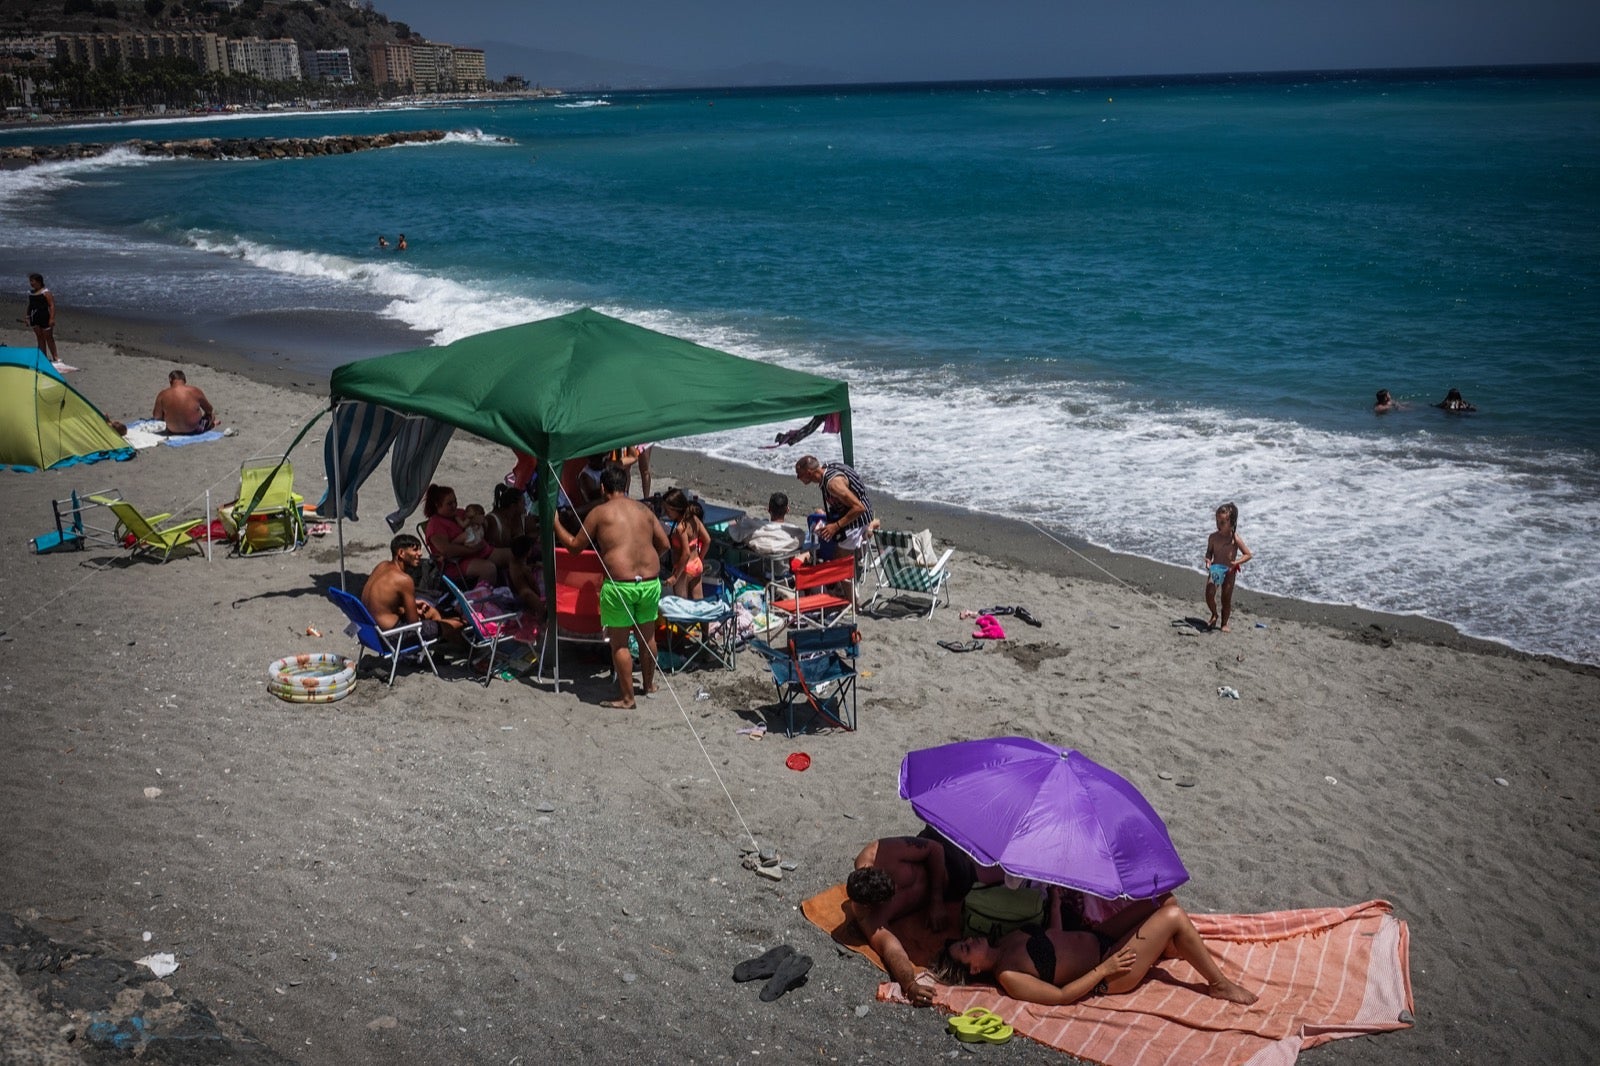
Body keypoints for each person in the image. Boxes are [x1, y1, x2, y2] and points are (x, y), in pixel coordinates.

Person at [939, 886, 1257, 1008]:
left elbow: (1052, 938)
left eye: (964, 942)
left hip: (1100, 939)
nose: (970, 940)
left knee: (1162, 899)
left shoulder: (1005, 941)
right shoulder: (1009, 976)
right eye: (967, 950)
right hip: (1109, 970)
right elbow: (1062, 997)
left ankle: (1166, 947)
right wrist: (1104, 969)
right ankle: (1219, 985)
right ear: (976, 969)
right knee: (1173, 916)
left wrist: (1056, 903)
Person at [550, 463, 671, 709]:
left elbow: (574, 547)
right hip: (649, 582)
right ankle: (649, 685)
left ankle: (628, 698)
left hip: (620, 585)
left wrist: (554, 523)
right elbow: (666, 544)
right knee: (647, 636)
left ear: (603, 488)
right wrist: (647, 558)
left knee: (620, 643)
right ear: (626, 486)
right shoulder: (644, 510)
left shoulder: (600, 512)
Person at [843, 834, 989, 1008]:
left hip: (946, 857)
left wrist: (936, 900)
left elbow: (935, 848)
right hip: (956, 883)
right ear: (871, 904)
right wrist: (910, 985)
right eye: (891, 894)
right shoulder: (867, 915)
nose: (898, 888)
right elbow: (891, 950)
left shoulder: (880, 852)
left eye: (894, 882)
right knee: (990, 876)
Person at [360, 533, 462, 646]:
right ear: (401, 553)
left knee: (431, 611)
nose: (420, 554)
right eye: (415, 550)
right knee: (457, 623)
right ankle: (470, 653)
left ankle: (440, 654)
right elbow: (413, 623)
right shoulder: (404, 580)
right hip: (393, 637)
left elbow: (382, 604)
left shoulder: (381, 566)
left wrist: (410, 606)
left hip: (371, 632)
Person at [422, 484, 513, 589]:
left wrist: (480, 520)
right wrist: (472, 550)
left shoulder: (459, 513)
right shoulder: (435, 525)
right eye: (449, 504)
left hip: (479, 551)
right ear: (438, 505)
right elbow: (447, 550)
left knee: (513, 556)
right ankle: (479, 601)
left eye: (455, 501)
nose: (454, 506)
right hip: (456, 563)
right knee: (489, 569)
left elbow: (477, 518)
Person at [794, 454, 873, 564]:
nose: (798, 478)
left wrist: (835, 526)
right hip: (849, 513)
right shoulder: (828, 469)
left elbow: (859, 508)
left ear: (809, 473)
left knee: (838, 562)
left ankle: (847, 574)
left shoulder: (832, 484)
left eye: (799, 475)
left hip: (857, 520)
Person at [1204, 502, 1253, 632]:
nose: (1218, 525)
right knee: (1209, 593)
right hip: (1216, 569)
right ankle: (1214, 614)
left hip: (1229, 572)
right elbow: (1209, 552)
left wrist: (1237, 562)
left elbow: (1248, 554)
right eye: (1217, 521)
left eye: (1222, 523)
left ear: (1231, 523)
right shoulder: (1213, 537)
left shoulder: (1234, 539)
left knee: (1226, 599)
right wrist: (1208, 560)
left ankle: (1224, 623)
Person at [661, 488, 710, 600]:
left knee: (682, 604)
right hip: (697, 565)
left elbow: (686, 553)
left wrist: (675, 576)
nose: (666, 513)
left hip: (684, 569)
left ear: (676, 508)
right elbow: (707, 540)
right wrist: (700, 558)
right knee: (699, 601)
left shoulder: (680, 528)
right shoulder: (694, 519)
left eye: (668, 510)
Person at [151, 370, 218, 434]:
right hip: (193, 429)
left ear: (170, 380)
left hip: (173, 430)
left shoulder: (162, 394)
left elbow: (157, 416)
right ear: (185, 380)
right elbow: (209, 409)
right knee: (211, 415)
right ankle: (212, 424)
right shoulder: (195, 391)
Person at [484, 484, 529, 550]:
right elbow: (493, 548)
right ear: (513, 506)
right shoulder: (493, 521)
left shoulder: (518, 517)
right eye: (523, 503)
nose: (525, 505)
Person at [25, 273, 57, 362]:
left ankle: (55, 357)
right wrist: (27, 316)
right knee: (39, 337)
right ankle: (43, 357)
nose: (31, 283)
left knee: (49, 337)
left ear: (39, 281)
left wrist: (52, 318)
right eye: (30, 281)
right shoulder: (31, 293)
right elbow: (30, 305)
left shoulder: (46, 292)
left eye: (32, 281)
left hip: (44, 316)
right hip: (34, 316)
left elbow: (52, 305)